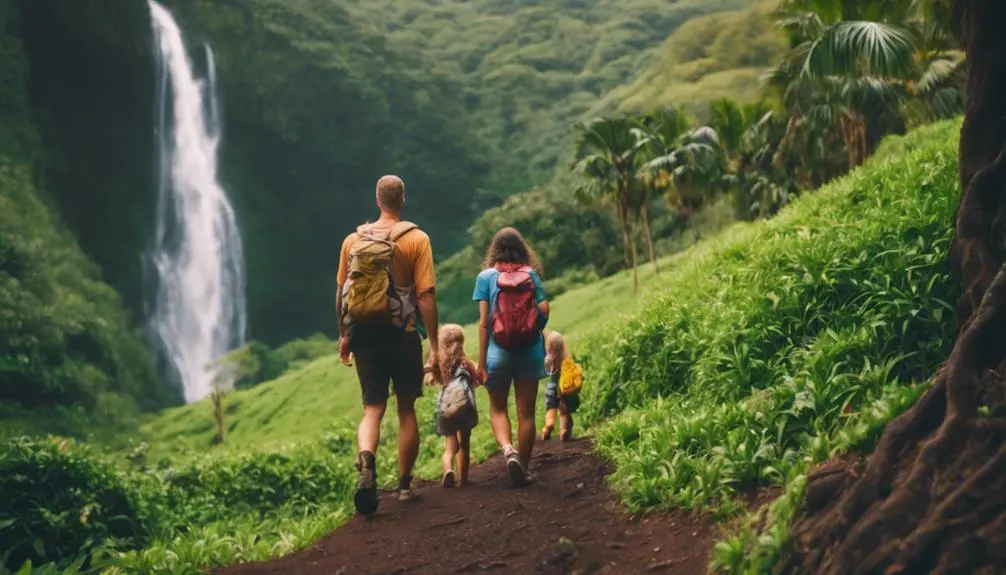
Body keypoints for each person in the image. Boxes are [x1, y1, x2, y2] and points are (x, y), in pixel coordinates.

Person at [336, 175, 439, 516]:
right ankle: (405, 486)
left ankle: (366, 461)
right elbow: (425, 295)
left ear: (377, 199)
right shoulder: (417, 239)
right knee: (406, 409)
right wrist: (435, 344)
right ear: (402, 199)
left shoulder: (353, 240)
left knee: (372, 410)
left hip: (364, 334)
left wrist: (344, 335)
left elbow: (342, 293)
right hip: (403, 333)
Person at [473, 227, 549, 487]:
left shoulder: (485, 277)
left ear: (494, 250)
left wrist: (481, 364)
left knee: (497, 408)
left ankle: (508, 450)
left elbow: (483, 324)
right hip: (529, 352)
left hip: (498, 355)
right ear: (522, 249)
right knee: (526, 414)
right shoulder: (531, 276)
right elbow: (544, 308)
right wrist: (534, 325)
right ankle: (524, 470)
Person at [432, 324, 479, 488]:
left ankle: (448, 469)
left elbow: (431, 378)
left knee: (450, 447)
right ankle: (463, 480)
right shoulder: (466, 363)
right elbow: (477, 379)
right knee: (464, 444)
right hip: (464, 407)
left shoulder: (440, 361)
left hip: (447, 407)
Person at [541, 331, 582, 442]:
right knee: (564, 411)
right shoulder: (567, 358)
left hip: (552, 387)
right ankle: (564, 430)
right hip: (564, 389)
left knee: (551, 408)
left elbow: (545, 370)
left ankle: (549, 425)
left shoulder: (548, 359)